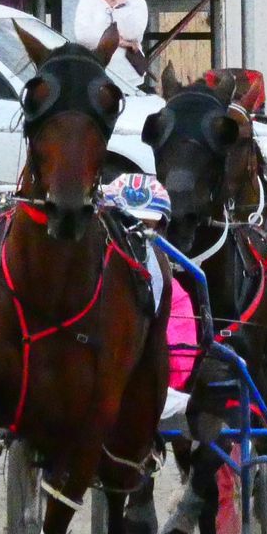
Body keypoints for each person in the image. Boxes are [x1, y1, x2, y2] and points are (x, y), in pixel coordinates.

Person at [100, 173, 193, 421]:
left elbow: (178, 367)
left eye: (144, 227)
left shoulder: (175, 293)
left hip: (145, 390)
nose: (133, 236)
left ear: (160, 230)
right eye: (125, 225)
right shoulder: (87, 273)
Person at [73, 0, 149, 87]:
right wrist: (121, 41)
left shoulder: (138, 2)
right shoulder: (88, 0)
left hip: (130, 81)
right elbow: (83, 37)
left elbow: (133, 33)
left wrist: (121, 2)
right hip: (95, 77)